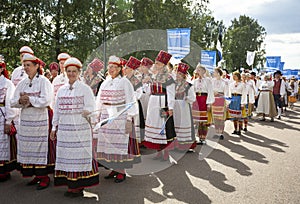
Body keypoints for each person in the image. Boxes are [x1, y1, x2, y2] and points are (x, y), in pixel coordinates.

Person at [50, 57, 99, 197]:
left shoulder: (85, 89)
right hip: (65, 129)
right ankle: (70, 185)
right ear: (65, 72)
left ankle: (78, 187)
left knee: (79, 156)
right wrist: (54, 128)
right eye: (69, 71)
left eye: (74, 71)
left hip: (80, 128)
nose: (71, 74)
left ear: (79, 72)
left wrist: (87, 111)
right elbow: (57, 110)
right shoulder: (61, 90)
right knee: (66, 156)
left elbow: (91, 106)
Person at [11, 53, 53, 190]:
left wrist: (30, 100)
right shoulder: (22, 82)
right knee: (28, 147)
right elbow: (12, 101)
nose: (26, 68)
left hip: (39, 120)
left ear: (36, 66)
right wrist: (19, 101)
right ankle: (36, 175)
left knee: (40, 147)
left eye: (28, 65)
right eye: (24, 65)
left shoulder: (44, 81)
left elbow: (46, 100)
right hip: (26, 120)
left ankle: (44, 177)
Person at [95, 55, 140, 183]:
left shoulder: (125, 82)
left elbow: (131, 100)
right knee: (108, 143)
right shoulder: (105, 82)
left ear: (120, 68)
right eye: (110, 67)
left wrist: (129, 118)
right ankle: (113, 168)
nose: (112, 69)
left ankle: (121, 171)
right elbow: (99, 99)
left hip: (120, 115)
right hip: (105, 115)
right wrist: (96, 116)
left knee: (118, 144)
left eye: (115, 67)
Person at [143, 50, 176, 161]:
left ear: (163, 65)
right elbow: (148, 91)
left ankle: (165, 152)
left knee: (163, 126)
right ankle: (158, 151)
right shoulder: (153, 76)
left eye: (157, 63)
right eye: (155, 63)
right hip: (153, 102)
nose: (155, 65)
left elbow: (171, 93)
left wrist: (170, 108)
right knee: (155, 126)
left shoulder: (169, 78)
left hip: (163, 102)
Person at [0, 58, 17, 182]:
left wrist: (8, 121)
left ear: (2, 69)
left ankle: (3, 171)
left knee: (2, 142)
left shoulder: (7, 83)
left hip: (2, 114)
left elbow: (10, 103)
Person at [173, 63, 197, 151]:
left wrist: (186, 98)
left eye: (180, 74)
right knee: (175, 124)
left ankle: (184, 145)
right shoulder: (173, 84)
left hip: (184, 107)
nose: (178, 75)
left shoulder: (188, 85)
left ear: (184, 75)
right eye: (177, 73)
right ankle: (175, 144)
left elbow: (193, 98)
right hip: (175, 107)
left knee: (183, 124)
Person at [123, 56, 145, 145]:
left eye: (127, 68)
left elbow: (139, 93)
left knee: (133, 123)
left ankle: (134, 143)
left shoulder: (136, 80)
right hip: (124, 105)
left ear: (132, 69)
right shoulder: (123, 79)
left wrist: (130, 97)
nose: (124, 69)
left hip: (133, 104)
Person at [192, 64, 214, 144]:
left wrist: (209, 103)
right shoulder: (195, 81)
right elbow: (192, 92)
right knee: (197, 120)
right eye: (197, 70)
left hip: (204, 100)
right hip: (197, 100)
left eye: (199, 70)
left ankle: (203, 138)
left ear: (204, 71)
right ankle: (198, 137)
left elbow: (210, 92)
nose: (198, 72)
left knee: (204, 121)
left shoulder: (208, 80)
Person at [211, 67, 229, 140]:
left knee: (221, 118)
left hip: (221, 100)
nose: (213, 73)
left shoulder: (224, 82)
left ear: (218, 73)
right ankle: (216, 132)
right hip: (214, 100)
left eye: (214, 72)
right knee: (215, 118)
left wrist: (227, 103)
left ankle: (221, 133)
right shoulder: (212, 81)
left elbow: (227, 93)